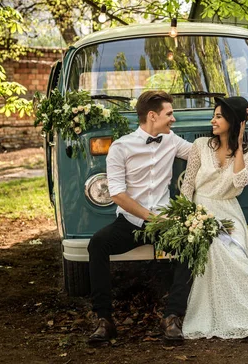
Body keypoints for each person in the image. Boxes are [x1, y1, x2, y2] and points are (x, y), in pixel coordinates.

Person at [87, 91, 194, 344]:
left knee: (191, 246)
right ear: (152, 116)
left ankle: (172, 318)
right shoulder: (120, 147)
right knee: (97, 244)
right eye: (170, 114)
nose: (174, 119)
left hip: (163, 222)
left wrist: (237, 128)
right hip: (131, 223)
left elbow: (202, 155)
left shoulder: (172, 140)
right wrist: (150, 218)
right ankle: (104, 321)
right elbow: (118, 195)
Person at [180, 96, 248, 339]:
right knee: (215, 249)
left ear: (232, 121)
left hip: (228, 212)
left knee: (237, 256)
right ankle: (217, 311)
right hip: (201, 210)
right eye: (213, 115)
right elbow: (188, 183)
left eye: (218, 116)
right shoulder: (200, 145)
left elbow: (240, 182)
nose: (212, 120)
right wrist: (185, 215)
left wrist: (238, 144)